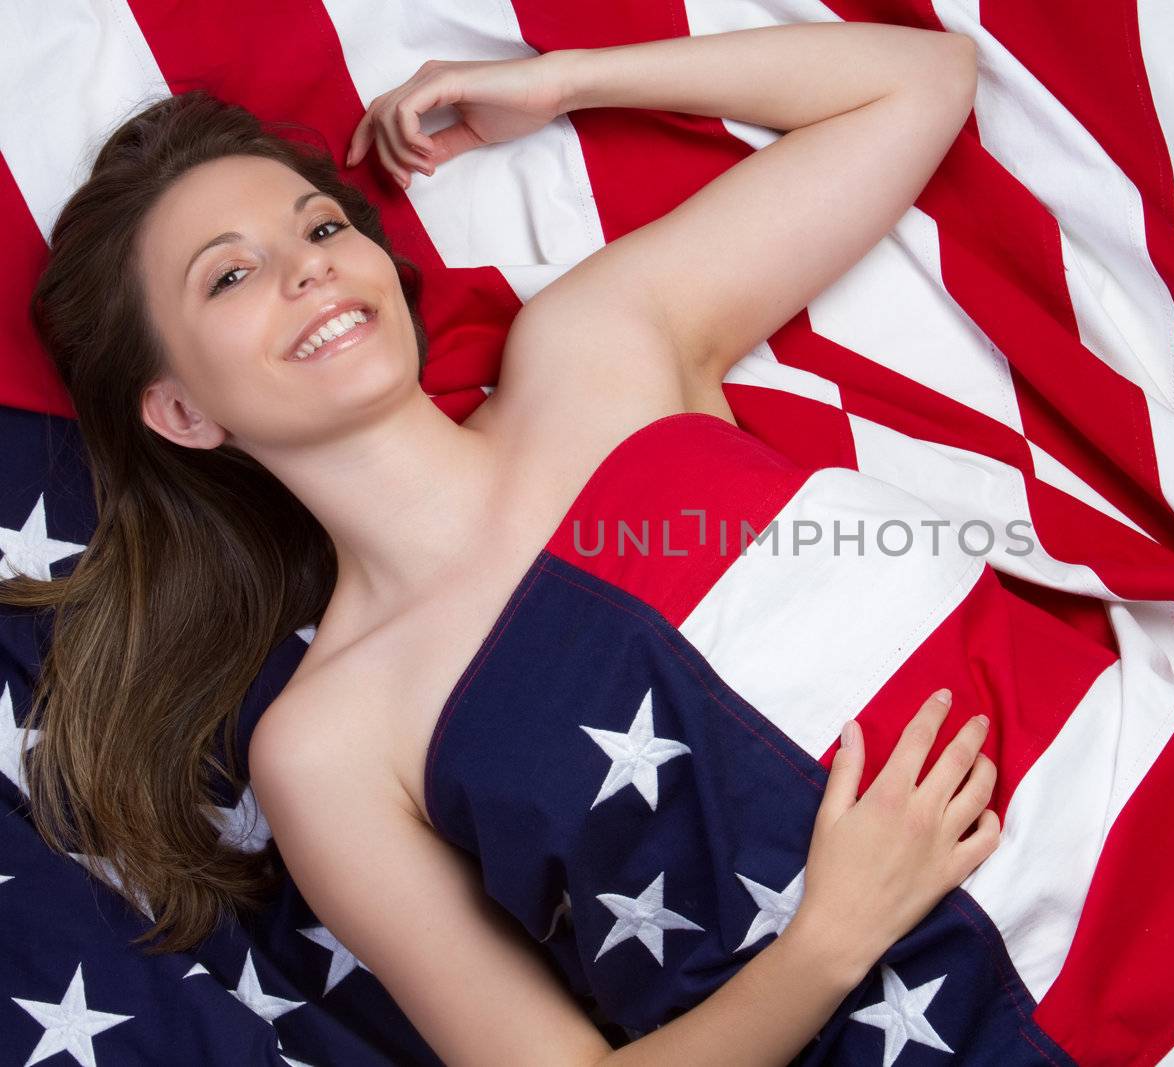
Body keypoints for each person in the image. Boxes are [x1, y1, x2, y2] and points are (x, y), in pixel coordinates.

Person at [0, 21, 1017, 1065]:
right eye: (228, 276)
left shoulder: (598, 347)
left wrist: (565, 81)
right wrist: (830, 940)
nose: (307, 272)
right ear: (179, 413)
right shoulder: (327, 747)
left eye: (318, 229)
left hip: (1171, 832)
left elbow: (919, 80)